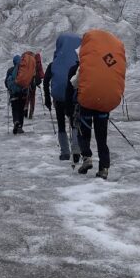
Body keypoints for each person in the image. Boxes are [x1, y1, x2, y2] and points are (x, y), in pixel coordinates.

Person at [66, 53, 110, 179]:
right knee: (102, 138)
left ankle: (87, 158)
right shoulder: (105, 66)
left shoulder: (80, 67)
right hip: (102, 107)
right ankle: (104, 168)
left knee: (83, 134)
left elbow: (72, 86)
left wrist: (69, 109)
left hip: (85, 106)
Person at [43, 33, 81, 163]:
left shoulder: (54, 63)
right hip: (74, 98)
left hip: (59, 99)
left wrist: (47, 99)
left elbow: (46, 80)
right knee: (75, 123)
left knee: (61, 124)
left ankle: (65, 152)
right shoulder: (79, 64)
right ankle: (76, 149)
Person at [5, 55, 29, 134]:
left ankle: (16, 121)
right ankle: (20, 127)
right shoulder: (23, 70)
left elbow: (6, 83)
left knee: (15, 109)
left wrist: (10, 88)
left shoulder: (10, 70)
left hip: (14, 94)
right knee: (21, 110)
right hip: (23, 93)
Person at [26, 51, 45, 120]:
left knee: (27, 96)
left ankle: (25, 110)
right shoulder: (37, 62)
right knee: (32, 97)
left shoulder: (29, 62)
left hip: (28, 82)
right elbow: (40, 71)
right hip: (34, 82)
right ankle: (31, 112)